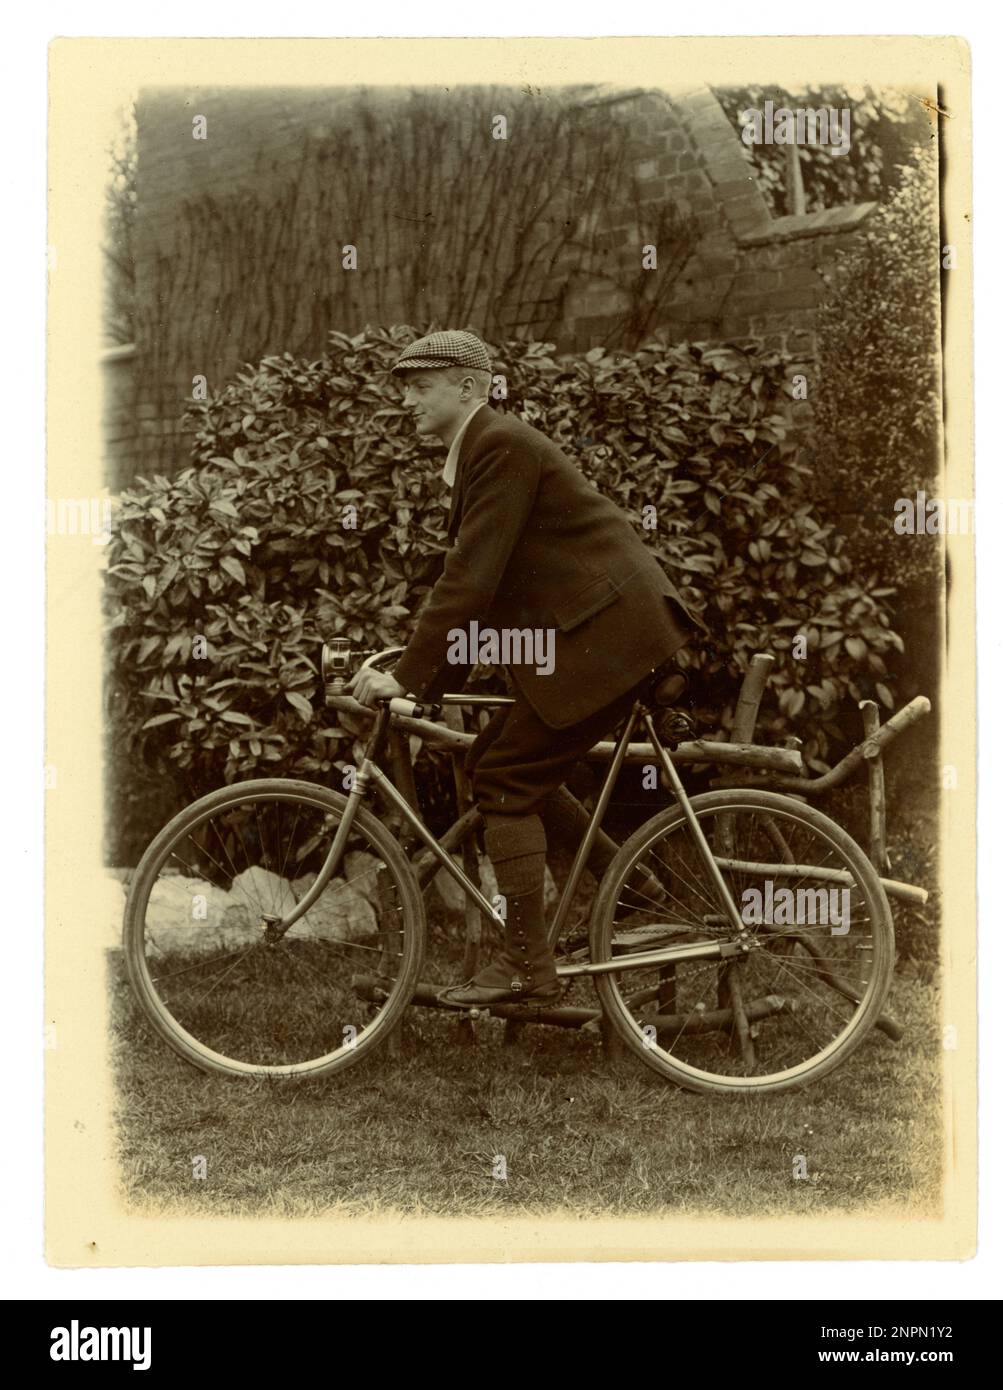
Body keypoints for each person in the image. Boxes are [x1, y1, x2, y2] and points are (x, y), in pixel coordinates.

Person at [348, 330, 704, 1008]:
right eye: (405, 390)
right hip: (602, 633)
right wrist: (418, 675)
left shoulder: (499, 445)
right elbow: (487, 590)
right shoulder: (486, 451)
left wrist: (410, 677)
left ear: (468, 389)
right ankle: (635, 895)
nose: (407, 403)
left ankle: (525, 969)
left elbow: (470, 580)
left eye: (420, 389)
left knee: (504, 776)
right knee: (501, 763)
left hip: (609, 635)